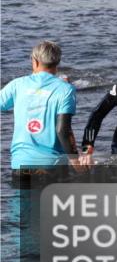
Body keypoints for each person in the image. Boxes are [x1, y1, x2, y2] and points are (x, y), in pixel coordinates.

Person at [0, 41, 82, 173]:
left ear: (35, 61)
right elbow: (63, 130)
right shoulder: (66, 89)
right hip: (53, 165)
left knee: (23, 194)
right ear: (57, 62)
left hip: (21, 164)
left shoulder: (17, 85)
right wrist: (75, 161)